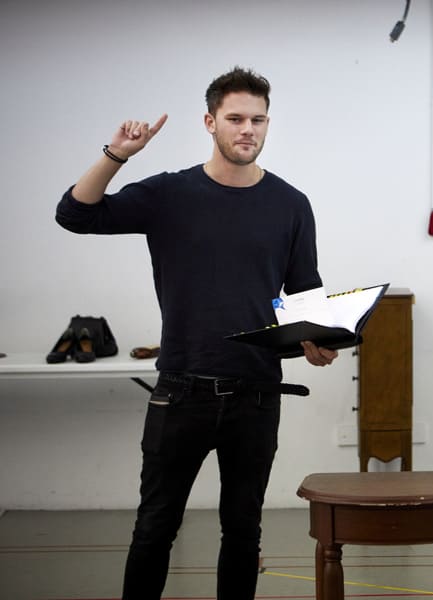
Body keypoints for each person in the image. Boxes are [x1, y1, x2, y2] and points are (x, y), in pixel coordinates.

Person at [56, 66, 338, 600]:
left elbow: (304, 292)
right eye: (235, 118)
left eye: (257, 119)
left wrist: (317, 342)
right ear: (210, 122)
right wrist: (117, 155)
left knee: (242, 531)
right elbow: (75, 214)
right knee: (155, 528)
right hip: (181, 392)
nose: (247, 129)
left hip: (257, 393)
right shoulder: (169, 195)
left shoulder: (291, 204)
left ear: (267, 124)